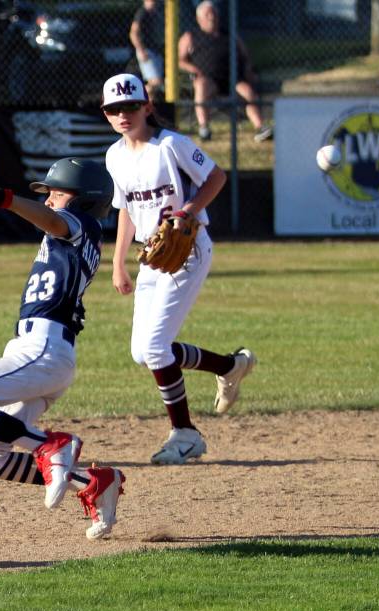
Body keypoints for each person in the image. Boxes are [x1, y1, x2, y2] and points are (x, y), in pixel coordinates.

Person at [0, 159, 126, 540]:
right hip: (44, 354)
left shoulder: (81, 225)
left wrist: (7, 200)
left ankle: (53, 444)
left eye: (58, 190)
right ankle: (94, 482)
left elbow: (55, 221)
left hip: (43, 349)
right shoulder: (73, 237)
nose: (50, 196)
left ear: (84, 199)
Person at [101, 73, 256, 465]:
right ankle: (231, 365)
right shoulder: (114, 156)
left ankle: (185, 434)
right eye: (114, 109)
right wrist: (118, 263)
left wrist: (190, 209)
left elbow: (216, 177)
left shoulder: (170, 145)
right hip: (152, 255)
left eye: (130, 106)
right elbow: (126, 212)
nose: (123, 114)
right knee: (144, 352)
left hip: (187, 250)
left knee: (155, 348)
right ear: (106, 114)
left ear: (147, 107)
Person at [177, 0, 272, 143]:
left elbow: (245, 56)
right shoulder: (190, 36)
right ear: (199, 19)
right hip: (209, 80)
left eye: (213, 13)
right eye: (208, 14)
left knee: (248, 92)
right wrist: (195, 70)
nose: (211, 17)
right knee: (201, 86)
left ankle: (260, 127)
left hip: (232, 79)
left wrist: (248, 70)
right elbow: (181, 61)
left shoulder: (230, 35)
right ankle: (204, 128)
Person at [129, 0, 164, 101]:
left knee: (155, 85)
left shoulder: (155, 12)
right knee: (155, 82)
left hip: (155, 51)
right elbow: (133, 33)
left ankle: (149, 108)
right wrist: (141, 50)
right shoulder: (142, 13)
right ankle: (136, 99)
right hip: (147, 51)